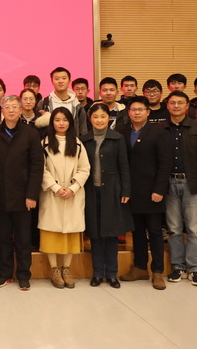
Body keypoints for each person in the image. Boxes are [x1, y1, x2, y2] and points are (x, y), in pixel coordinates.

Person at [0, 95, 43, 290]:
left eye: (14, 107)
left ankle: (23, 275)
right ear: (2, 111)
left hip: (23, 196)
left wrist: (32, 195)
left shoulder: (31, 133)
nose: (11, 110)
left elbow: (37, 166)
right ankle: (4, 274)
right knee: (3, 237)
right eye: (7, 107)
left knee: (23, 238)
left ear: (21, 110)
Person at [117, 96, 171, 290]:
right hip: (132, 191)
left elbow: (165, 164)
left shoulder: (159, 133)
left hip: (152, 192)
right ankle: (140, 267)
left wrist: (159, 189)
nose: (137, 113)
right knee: (137, 231)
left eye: (141, 109)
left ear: (148, 112)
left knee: (155, 232)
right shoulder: (122, 132)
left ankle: (157, 271)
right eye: (133, 110)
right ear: (129, 113)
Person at [81, 103, 133, 288]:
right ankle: (97, 273)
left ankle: (112, 274)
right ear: (90, 119)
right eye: (95, 117)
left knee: (111, 234)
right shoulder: (84, 140)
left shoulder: (117, 138)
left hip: (112, 190)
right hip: (90, 191)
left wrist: (126, 190)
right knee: (95, 234)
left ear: (108, 118)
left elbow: (124, 166)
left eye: (103, 116)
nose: (99, 120)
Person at [39, 107, 90, 289]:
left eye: (65, 120)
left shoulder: (77, 144)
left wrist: (73, 188)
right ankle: (54, 269)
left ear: (70, 122)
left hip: (72, 194)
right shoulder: (44, 143)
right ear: (52, 123)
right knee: (51, 232)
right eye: (57, 120)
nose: (61, 123)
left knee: (70, 231)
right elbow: (41, 169)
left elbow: (85, 169)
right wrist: (55, 187)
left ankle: (66, 268)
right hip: (52, 194)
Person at [162, 91, 197, 286]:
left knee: (194, 229)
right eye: (172, 103)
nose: (176, 106)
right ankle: (178, 267)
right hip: (168, 183)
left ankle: (195, 268)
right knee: (174, 229)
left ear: (187, 105)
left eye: (180, 103)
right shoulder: (161, 128)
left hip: (192, 183)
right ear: (167, 106)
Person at [37, 67, 88, 135]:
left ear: (69, 81)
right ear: (52, 81)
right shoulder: (44, 103)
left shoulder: (77, 105)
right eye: (57, 79)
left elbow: (83, 131)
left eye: (64, 78)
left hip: (72, 141)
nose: (60, 81)